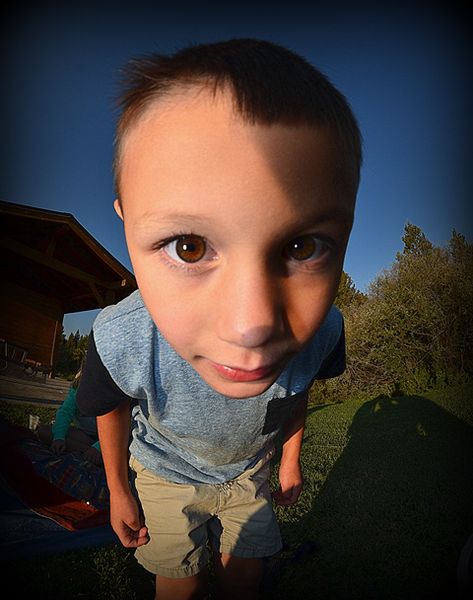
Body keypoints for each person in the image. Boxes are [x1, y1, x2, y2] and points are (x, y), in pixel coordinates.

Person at [77, 38, 362, 600]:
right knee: (176, 585)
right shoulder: (122, 337)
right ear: (128, 221)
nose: (252, 326)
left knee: (244, 578)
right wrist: (118, 487)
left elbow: (297, 391)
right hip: (165, 472)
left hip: (247, 472)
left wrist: (290, 456)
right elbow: (107, 408)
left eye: (302, 247)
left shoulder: (324, 332)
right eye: (188, 247)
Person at [37, 369, 102, 466]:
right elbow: (65, 412)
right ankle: (92, 455)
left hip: (108, 440)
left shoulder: (109, 391)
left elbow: (120, 429)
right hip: (85, 437)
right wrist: (59, 437)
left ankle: (97, 455)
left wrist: (98, 447)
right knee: (44, 431)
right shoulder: (78, 388)